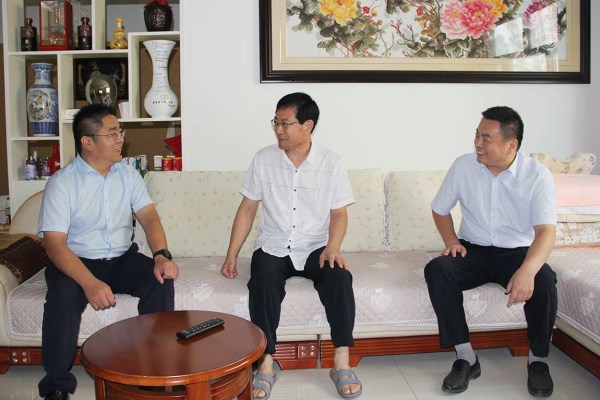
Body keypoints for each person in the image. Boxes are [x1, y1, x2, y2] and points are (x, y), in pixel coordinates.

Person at [221, 92, 362, 399]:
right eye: (276, 122)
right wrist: (231, 255)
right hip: (273, 244)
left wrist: (333, 247)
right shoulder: (263, 159)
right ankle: (266, 363)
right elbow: (247, 208)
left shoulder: (330, 162)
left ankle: (341, 362)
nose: (279, 130)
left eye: (285, 123)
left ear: (307, 126)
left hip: (315, 246)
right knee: (262, 280)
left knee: (340, 277)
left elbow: (339, 214)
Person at [37, 104, 179, 400]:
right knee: (63, 298)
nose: (120, 140)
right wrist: (89, 282)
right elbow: (55, 244)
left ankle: (155, 373)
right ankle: (56, 387)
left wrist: (161, 255)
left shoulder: (127, 174)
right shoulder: (62, 183)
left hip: (121, 259)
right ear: (87, 142)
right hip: (76, 261)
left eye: (120, 132)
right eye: (112, 134)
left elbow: (149, 217)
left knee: (160, 281)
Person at [424, 106, 557, 397]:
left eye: (486, 138)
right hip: (474, 252)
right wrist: (451, 240)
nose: (477, 143)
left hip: (517, 253)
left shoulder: (537, 175)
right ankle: (466, 357)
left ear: (511, 145)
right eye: (477, 135)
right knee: (438, 269)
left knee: (544, 280)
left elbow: (546, 232)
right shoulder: (463, 166)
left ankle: (538, 361)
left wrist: (527, 271)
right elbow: (439, 209)